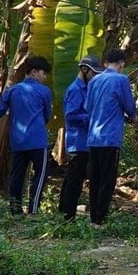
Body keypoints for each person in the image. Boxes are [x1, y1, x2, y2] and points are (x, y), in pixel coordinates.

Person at [0, 56, 54, 215]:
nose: (44, 77)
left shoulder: (12, 90)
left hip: (18, 141)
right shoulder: (44, 91)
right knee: (40, 175)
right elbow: (47, 116)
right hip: (38, 141)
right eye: (43, 73)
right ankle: (33, 211)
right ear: (34, 72)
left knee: (17, 175)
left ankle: (15, 210)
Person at [85, 48, 137, 227]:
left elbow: (88, 107)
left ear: (105, 63)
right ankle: (101, 218)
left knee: (95, 178)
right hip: (110, 136)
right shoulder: (121, 79)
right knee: (107, 179)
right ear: (121, 63)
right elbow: (129, 106)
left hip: (94, 136)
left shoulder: (94, 80)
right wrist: (134, 117)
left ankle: (93, 217)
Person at [59, 54, 104, 221]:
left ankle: (65, 213)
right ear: (84, 70)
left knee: (74, 179)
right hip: (78, 142)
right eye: (94, 73)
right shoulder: (75, 90)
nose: (96, 77)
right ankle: (67, 216)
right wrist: (92, 117)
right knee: (74, 181)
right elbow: (71, 116)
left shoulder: (88, 88)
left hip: (86, 141)